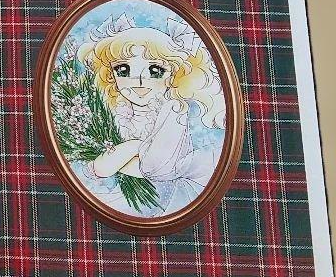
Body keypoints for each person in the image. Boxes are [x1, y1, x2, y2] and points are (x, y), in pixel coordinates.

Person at [77, 13, 225, 215]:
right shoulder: (113, 109)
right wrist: (124, 154)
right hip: (118, 196)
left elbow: (155, 168)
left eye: (155, 71)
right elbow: (97, 166)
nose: (139, 81)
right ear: (110, 75)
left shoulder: (173, 109)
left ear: (174, 76)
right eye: (123, 70)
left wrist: (132, 148)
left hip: (163, 200)